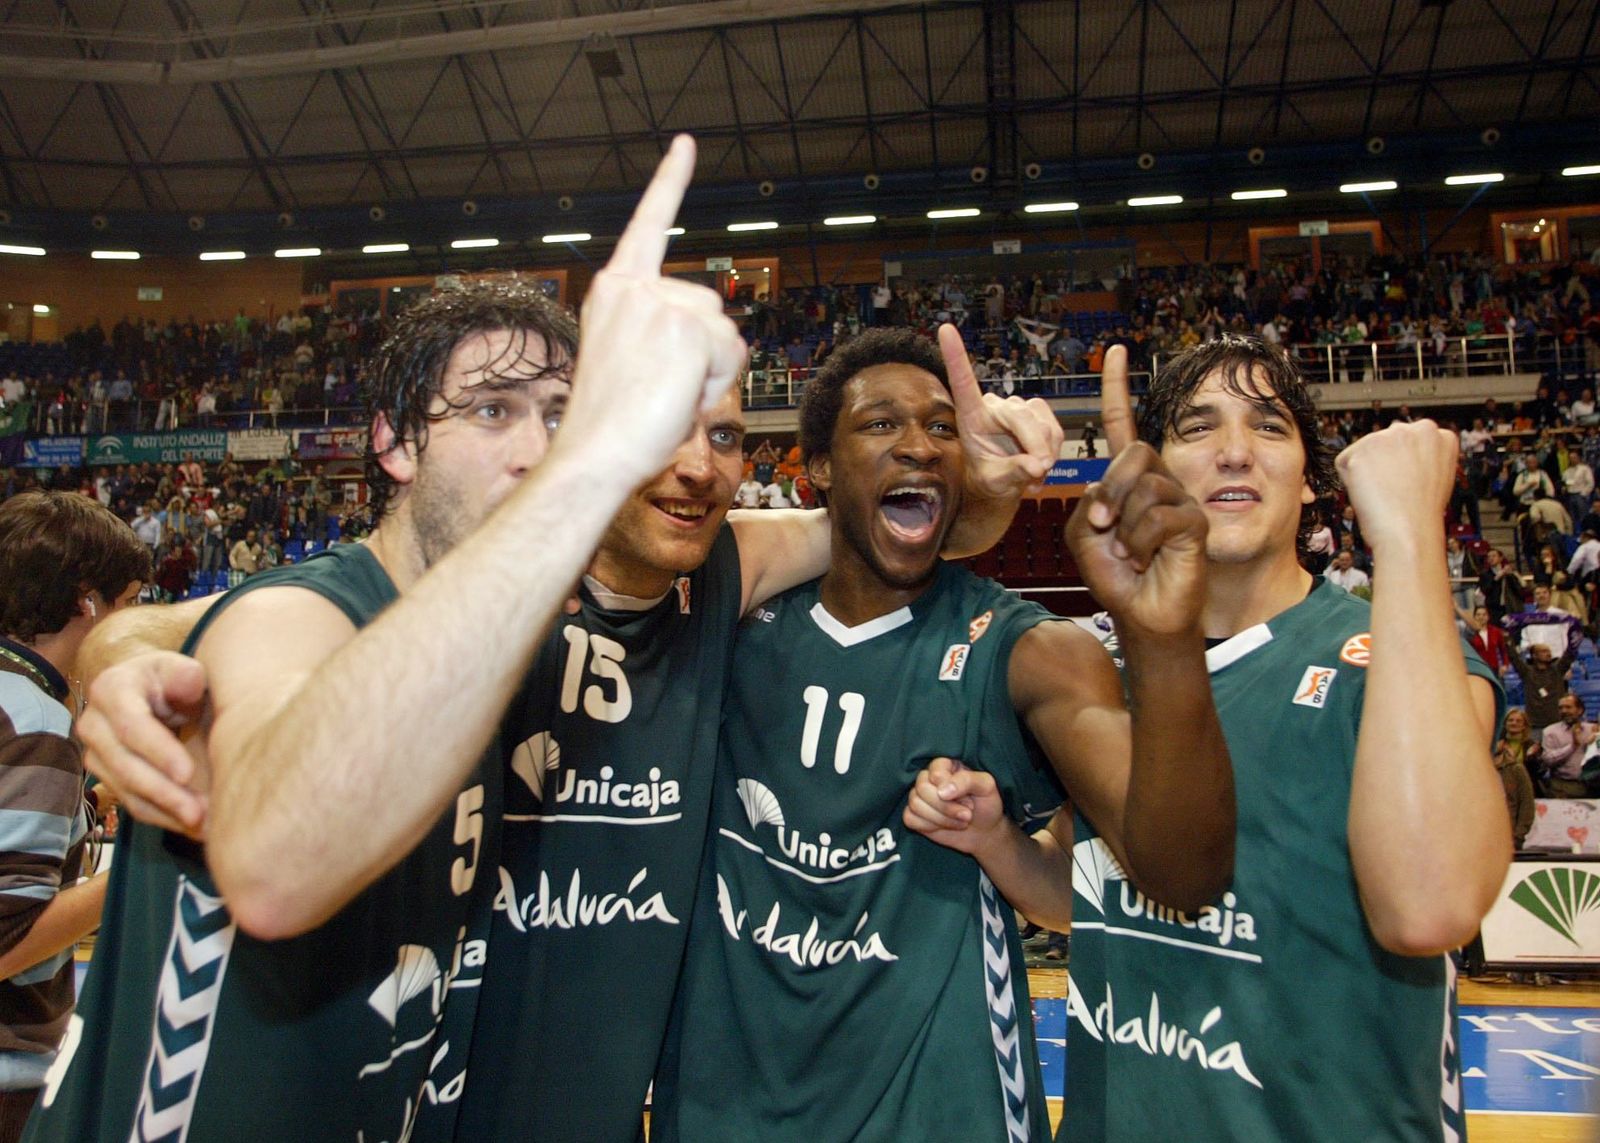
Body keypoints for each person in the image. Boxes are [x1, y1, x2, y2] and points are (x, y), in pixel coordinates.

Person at [21, 136, 753, 1143]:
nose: (535, 448)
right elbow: (276, 867)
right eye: (490, 410)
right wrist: (118, 655)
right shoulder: (302, 614)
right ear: (395, 442)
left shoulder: (497, 641)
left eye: (558, 416)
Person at [652, 333, 1234, 1141]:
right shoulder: (733, 620)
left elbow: (1181, 874)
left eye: (941, 427)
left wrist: (1162, 640)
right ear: (818, 466)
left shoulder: (1027, 649)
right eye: (881, 424)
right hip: (726, 1111)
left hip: (939, 1113)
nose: (920, 445)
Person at [1059, 335, 1506, 1141]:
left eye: (1269, 426)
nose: (1235, 451)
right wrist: (989, 836)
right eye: (1198, 427)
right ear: (1153, 472)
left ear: (1308, 480)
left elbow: (1429, 908)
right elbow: (1079, 893)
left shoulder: (1393, 657)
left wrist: (1408, 532)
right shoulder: (1107, 668)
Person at [0, 494, 147, 1141]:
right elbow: (7, 940)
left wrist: (98, 799)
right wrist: (141, 871)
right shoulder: (37, 723)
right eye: (129, 602)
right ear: (87, 601)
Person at [1539, 693, 1596, 798]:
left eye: (1568, 707)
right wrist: (1573, 746)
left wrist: (1595, 744)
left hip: (1592, 786)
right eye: (1561, 708)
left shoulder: (1592, 729)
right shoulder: (1550, 732)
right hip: (1562, 787)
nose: (1564, 711)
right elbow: (1548, 760)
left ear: (1580, 710)